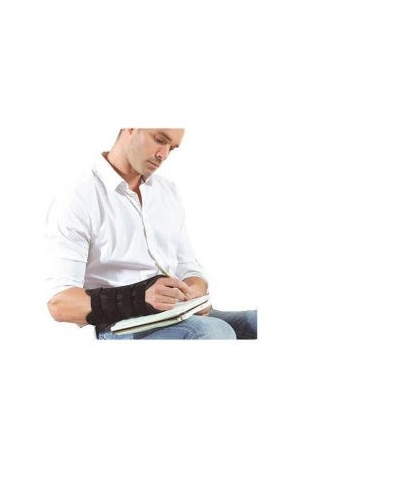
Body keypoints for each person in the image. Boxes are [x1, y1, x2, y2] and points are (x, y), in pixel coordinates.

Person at [45, 128, 257, 340]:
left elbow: (188, 267)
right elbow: (60, 304)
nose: (163, 155)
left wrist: (194, 292)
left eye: (171, 148)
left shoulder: (166, 191)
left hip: (176, 313)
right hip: (123, 325)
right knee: (216, 331)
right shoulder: (78, 196)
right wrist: (139, 299)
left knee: (257, 322)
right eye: (159, 140)